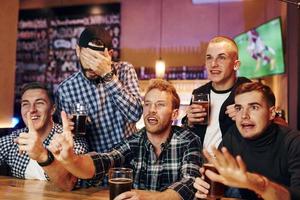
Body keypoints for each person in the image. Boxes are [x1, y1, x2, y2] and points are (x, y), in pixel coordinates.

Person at [49, 79, 202, 200]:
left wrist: (153, 198)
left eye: (160, 105)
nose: (152, 110)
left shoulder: (189, 140)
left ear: (175, 114)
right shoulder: (134, 141)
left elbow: (190, 182)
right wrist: (71, 159)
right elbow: (104, 160)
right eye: (147, 104)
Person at [193, 82, 300, 200]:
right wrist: (205, 187)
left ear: (271, 113)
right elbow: (219, 186)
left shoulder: (294, 142)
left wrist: (259, 185)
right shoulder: (233, 135)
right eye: (238, 108)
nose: (244, 115)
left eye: (254, 107)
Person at [55, 25, 143, 153]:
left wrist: (108, 76)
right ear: (78, 51)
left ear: (110, 55)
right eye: (88, 57)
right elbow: (74, 141)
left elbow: (135, 115)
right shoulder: (66, 90)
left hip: (131, 155)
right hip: (95, 163)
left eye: (97, 58)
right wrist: (71, 129)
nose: (92, 65)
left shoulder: (125, 70)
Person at [0, 82, 88, 191]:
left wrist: (42, 155)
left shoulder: (70, 139)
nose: (32, 110)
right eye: (25, 104)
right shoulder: (15, 139)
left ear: (53, 109)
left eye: (39, 103)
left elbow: (69, 183)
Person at [184, 36, 250, 151]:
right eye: (209, 58)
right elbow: (189, 135)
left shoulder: (248, 91)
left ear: (236, 65)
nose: (213, 64)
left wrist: (245, 115)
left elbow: (268, 126)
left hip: (232, 165)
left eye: (221, 58)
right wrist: (189, 122)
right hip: (199, 165)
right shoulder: (199, 93)